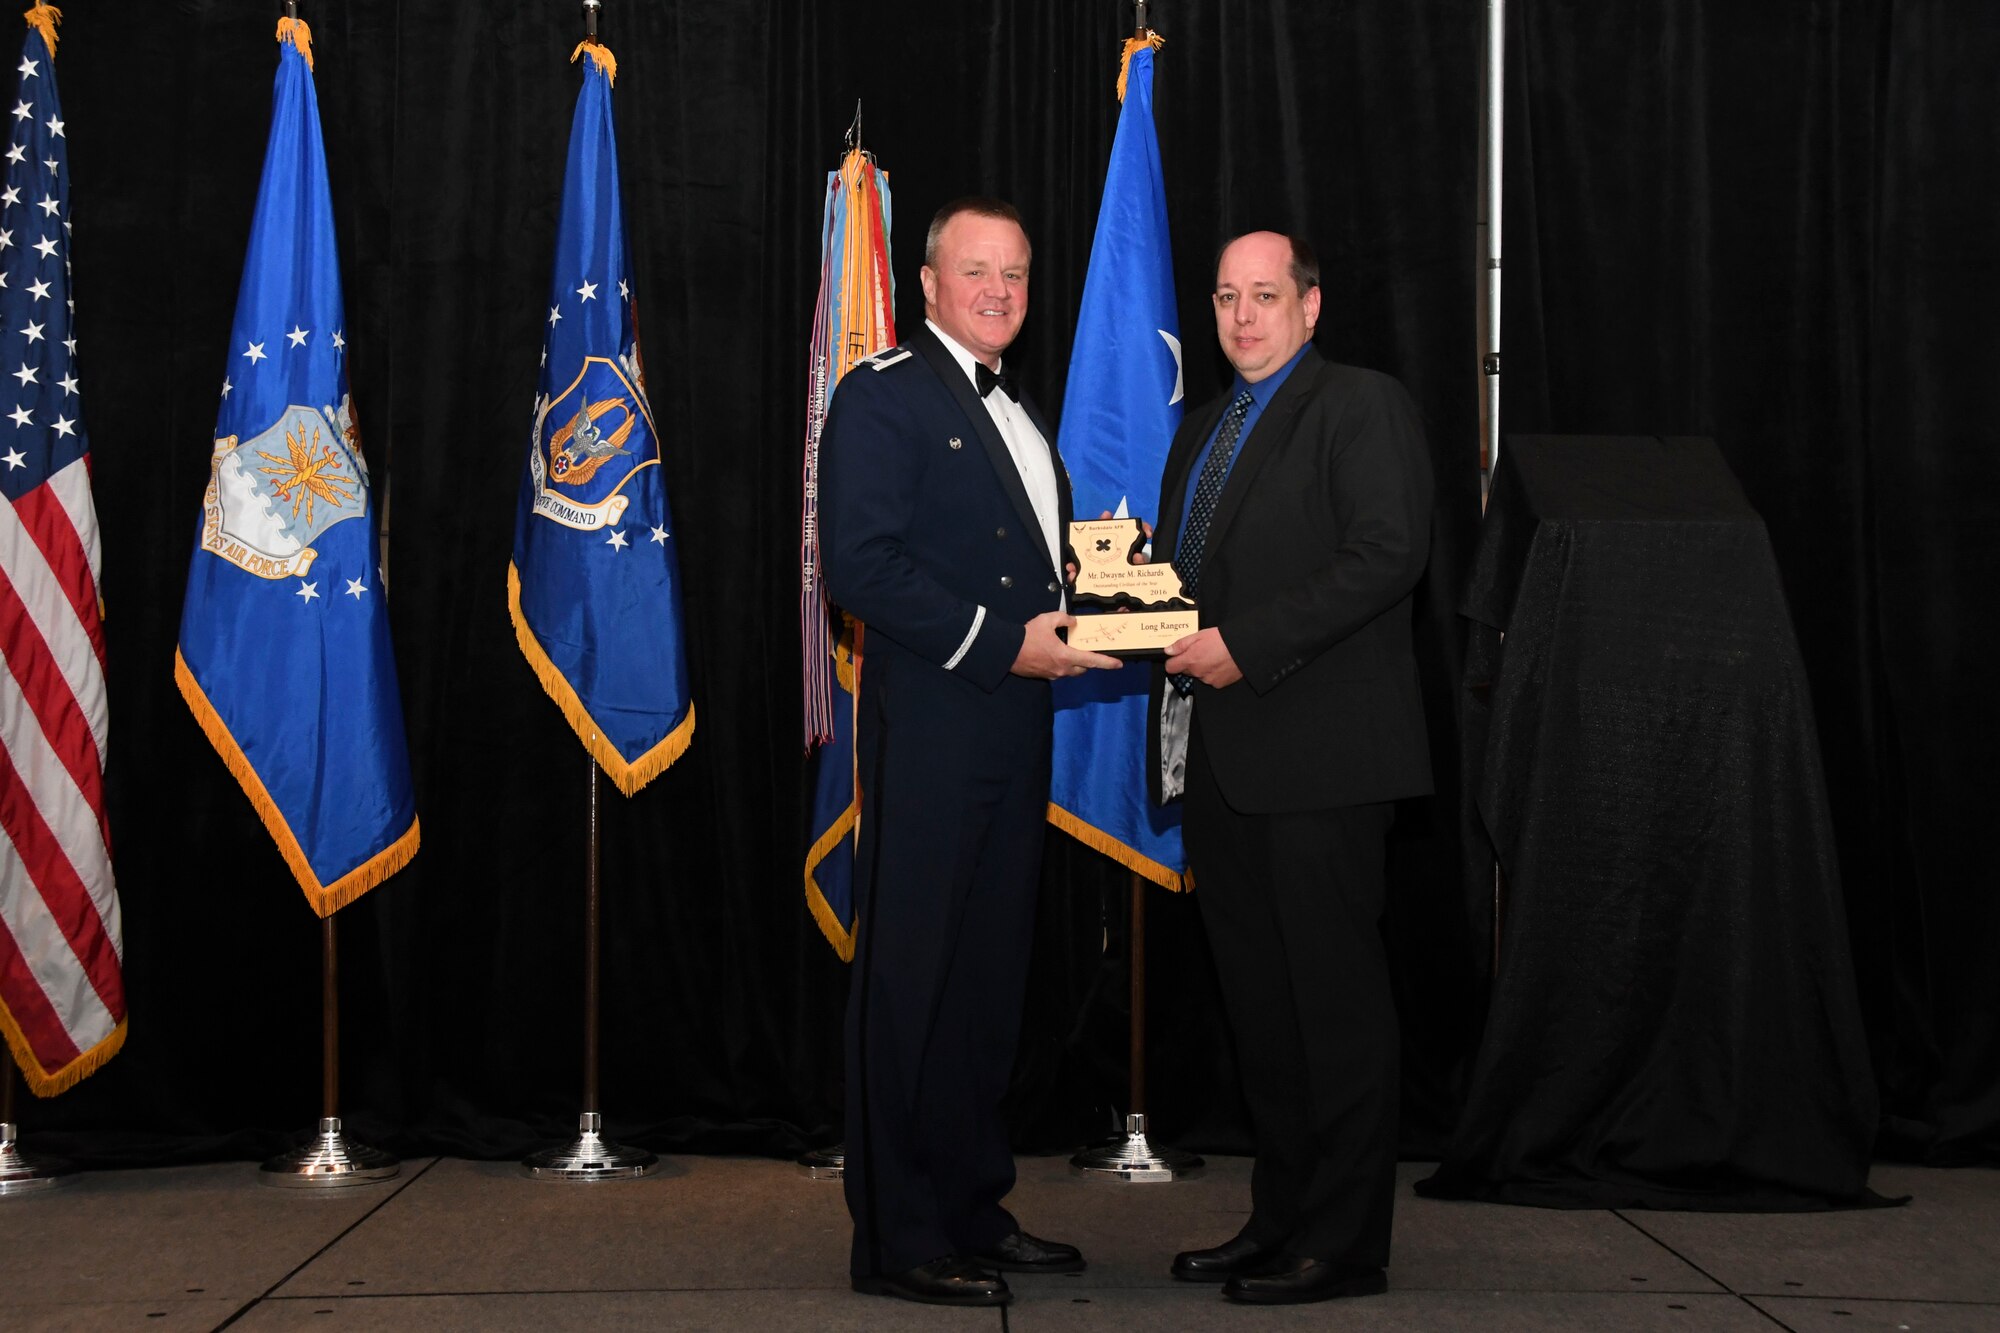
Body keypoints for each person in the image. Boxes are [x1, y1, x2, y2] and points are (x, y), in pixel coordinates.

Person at [819, 197, 1121, 1308]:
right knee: (910, 980)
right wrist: (1005, 645)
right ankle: (898, 1236)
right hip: (941, 725)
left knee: (985, 983)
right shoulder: (882, 395)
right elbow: (858, 565)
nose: (998, 289)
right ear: (927, 281)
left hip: (1014, 728)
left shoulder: (1019, 409)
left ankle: (970, 1205)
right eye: (976, 270)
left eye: (1016, 273)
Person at [1149, 231, 1434, 1304]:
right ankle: (1277, 1220)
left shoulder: (1361, 405)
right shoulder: (1199, 432)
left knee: (1334, 1012)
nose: (1241, 317)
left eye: (1264, 296)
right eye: (1225, 297)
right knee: (1262, 1016)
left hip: (1324, 761)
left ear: (1309, 306)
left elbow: (1386, 553)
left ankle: (1344, 1242)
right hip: (1223, 766)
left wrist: (1245, 645)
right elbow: (1183, 582)